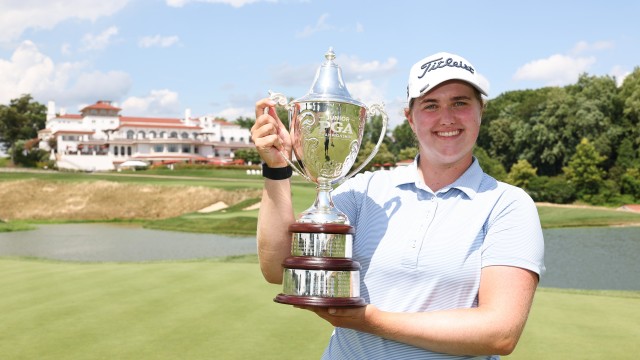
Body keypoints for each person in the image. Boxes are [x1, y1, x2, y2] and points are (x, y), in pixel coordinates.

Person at [251, 52, 545, 359]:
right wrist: (276, 169)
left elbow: (499, 332)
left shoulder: (508, 204)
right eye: (431, 105)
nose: (447, 117)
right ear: (410, 118)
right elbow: (278, 268)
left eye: (460, 102)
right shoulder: (363, 191)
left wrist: (369, 320)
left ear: (480, 112)